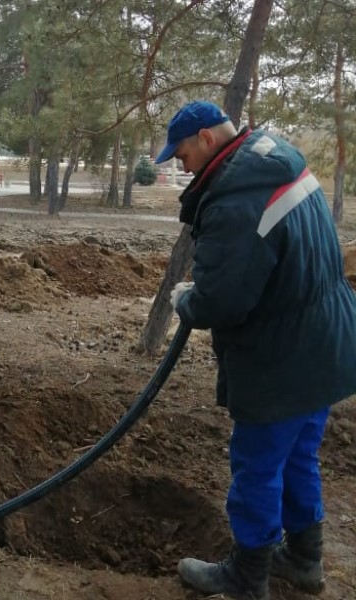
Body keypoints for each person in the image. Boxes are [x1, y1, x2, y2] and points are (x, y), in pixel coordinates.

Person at [157, 100, 356, 600]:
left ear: (205, 139)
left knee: (258, 466)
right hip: (326, 345)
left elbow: (224, 298)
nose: (181, 167)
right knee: (298, 458)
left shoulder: (235, 197)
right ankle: (305, 560)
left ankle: (246, 579)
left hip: (281, 360)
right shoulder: (274, 154)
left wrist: (189, 301)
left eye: (181, 154)